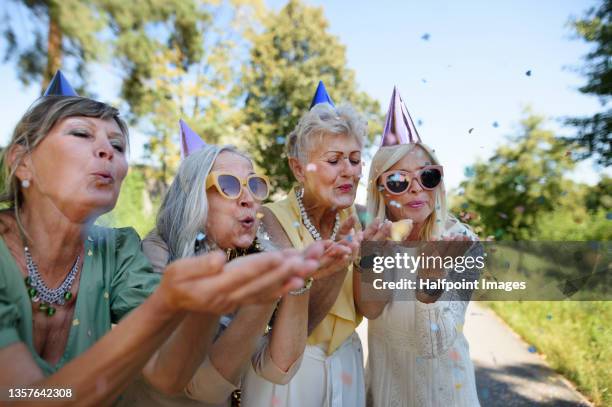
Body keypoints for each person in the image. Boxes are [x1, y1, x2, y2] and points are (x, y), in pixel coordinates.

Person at [0, 71, 320, 405]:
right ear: (22, 162)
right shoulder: (152, 250)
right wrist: (170, 303)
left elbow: (167, 373)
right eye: (81, 133)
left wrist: (205, 304)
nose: (107, 152)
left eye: (118, 144)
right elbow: (20, 396)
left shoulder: (116, 250)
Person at [118, 120, 325, 406]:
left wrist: (299, 281)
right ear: (194, 198)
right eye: (228, 185)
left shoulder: (255, 254)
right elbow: (202, 387)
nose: (248, 199)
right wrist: (265, 294)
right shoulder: (158, 254)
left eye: (254, 185)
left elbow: (279, 368)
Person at [242, 81, 377, 407]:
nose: (350, 172)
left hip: (346, 369)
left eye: (356, 159)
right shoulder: (269, 222)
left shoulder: (362, 220)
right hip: (286, 378)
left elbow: (371, 310)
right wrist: (338, 264)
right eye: (334, 160)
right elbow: (287, 330)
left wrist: (369, 259)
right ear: (299, 168)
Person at [357, 87, 481, 407]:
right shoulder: (375, 239)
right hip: (387, 386)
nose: (417, 189)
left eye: (427, 176)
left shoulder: (462, 242)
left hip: (445, 392)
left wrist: (430, 277)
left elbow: (435, 344)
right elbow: (370, 310)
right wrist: (371, 255)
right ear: (381, 190)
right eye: (399, 180)